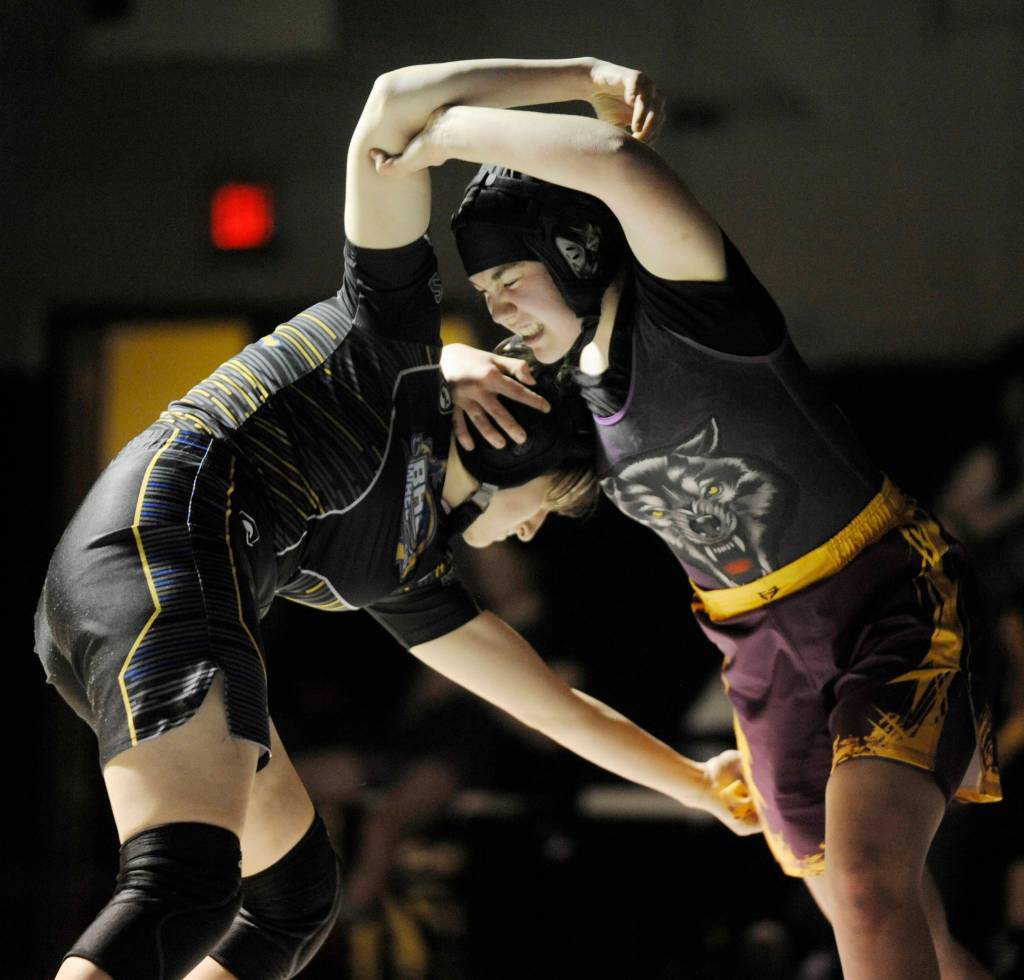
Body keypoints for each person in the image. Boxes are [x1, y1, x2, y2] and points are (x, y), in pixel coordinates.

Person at [34, 61, 759, 980]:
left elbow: (556, 709)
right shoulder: (391, 341)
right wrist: (583, 75)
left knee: (293, 904)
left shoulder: (405, 570)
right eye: (545, 507)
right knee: (186, 885)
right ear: (512, 444)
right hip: (157, 557)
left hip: (131, 598)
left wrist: (699, 787)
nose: (530, 533)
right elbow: (389, 109)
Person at [368, 57, 1004, 979]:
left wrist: (443, 137)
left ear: (575, 248)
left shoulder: (692, 307)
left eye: (510, 275)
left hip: (879, 598)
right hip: (759, 656)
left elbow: (618, 165)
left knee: (870, 890)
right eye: (486, 288)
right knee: (902, 931)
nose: (497, 305)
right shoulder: (563, 391)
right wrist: (448, 365)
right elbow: (486, 510)